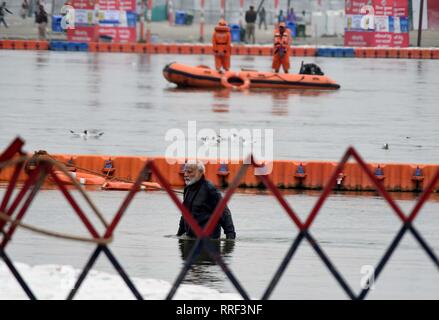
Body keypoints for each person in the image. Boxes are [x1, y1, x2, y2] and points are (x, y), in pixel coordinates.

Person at [177, 161, 236, 240]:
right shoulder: (188, 189)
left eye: (189, 172)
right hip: (191, 239)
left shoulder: (210, 189)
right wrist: (179, 235)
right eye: (185, 171)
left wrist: (230, 239)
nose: (185, 175)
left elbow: (225, 214)